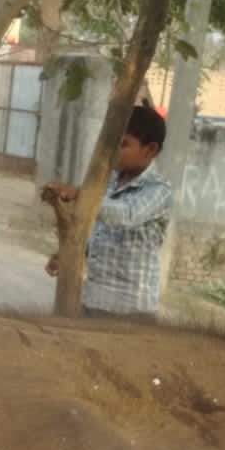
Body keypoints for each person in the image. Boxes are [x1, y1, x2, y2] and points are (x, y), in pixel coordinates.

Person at [41, 105, 171, 320]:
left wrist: (80, 196)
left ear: (150, 150)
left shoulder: (158, 190)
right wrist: (71, 256)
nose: (114, 152)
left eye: (123, 145)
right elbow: (100, 231)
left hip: (131, 310)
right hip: (94, 300)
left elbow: (126, 215)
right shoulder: (109, 181)